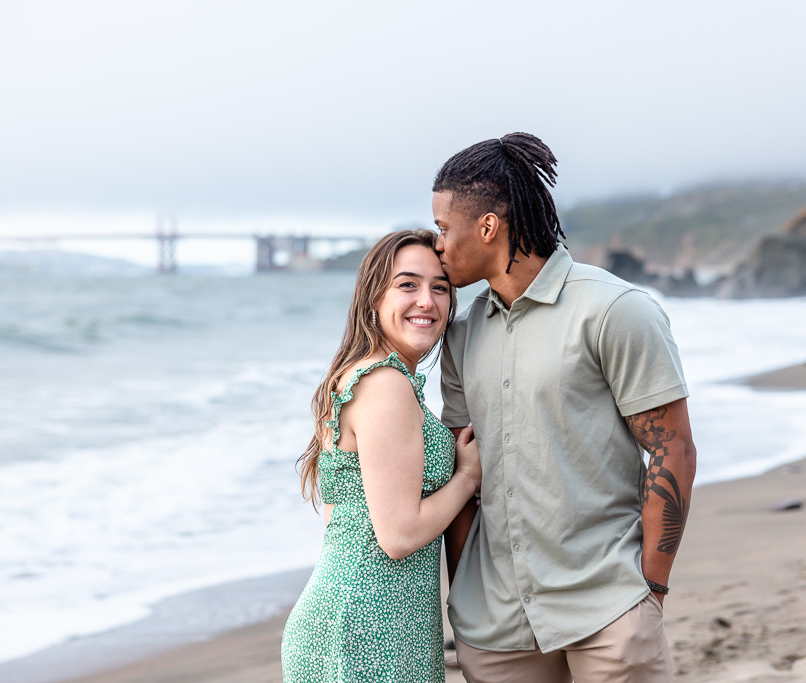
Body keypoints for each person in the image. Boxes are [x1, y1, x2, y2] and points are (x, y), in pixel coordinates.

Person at [433, 133, 697, 682]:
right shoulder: (459, 334)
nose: (438, 244)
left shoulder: (614, 311)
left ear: (487, 226)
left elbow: (672, 449)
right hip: (496, 624)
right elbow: (460, 465)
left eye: (442, 228)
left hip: (608, 608)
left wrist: (649, 591)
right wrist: (464, 588)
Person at [281, 228, 483, 682]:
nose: (427, 301)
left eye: (440, 287)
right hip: (369, 626)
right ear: (374, 297)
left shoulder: (362, 376)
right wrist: (467, 478)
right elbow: (399, 535)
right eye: (407, 285)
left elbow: (342, 514)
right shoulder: (386, 384)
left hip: (359, 615)